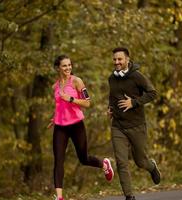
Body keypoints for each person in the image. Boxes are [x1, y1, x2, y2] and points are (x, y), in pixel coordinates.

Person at [48, 55, 114, 200]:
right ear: (58, 68)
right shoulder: (55, 86)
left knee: (83, 158)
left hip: (76, 125)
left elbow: (88, 103)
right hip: (60, 126)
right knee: (58, 160)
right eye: (64, 66)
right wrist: (55, 118)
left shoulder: (77, 81)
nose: (68, 68)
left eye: (69, 65)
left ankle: (104, 164)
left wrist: (71, 99)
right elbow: (59, 105)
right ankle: (59, 197)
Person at [107, 47, 161, 200]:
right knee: (121, 163)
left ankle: (152, 167)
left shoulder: (137, 76)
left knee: (141, 162)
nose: (116, 62)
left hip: (137, 125)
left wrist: (134, 102)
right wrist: (110, 109)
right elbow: (112, 96)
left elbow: (153, 93)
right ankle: (129, 196)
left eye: (120, 59)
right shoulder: (111, 78)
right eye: (114, 59)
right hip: (118, 126)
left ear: (127, 60)